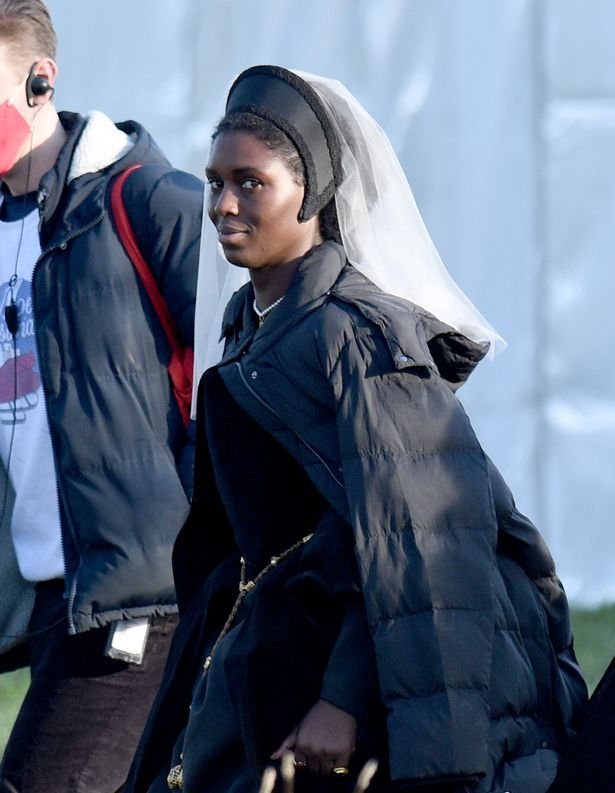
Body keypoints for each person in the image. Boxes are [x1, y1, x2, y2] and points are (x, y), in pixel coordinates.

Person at [125, 65, 587, 793]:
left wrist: (342, 700)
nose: (223, 204)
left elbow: (420, 538)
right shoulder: (251, 324)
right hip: (268, 659)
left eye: (251, 183)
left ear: (310, 192)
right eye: (215, 182)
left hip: (355, 675)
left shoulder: (357, 336)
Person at [0, 1, 203, 791]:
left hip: (137, 600)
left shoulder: (147, 201)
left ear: (41, 81)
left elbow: (242, 371)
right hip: (50, 594)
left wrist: (191, 537)